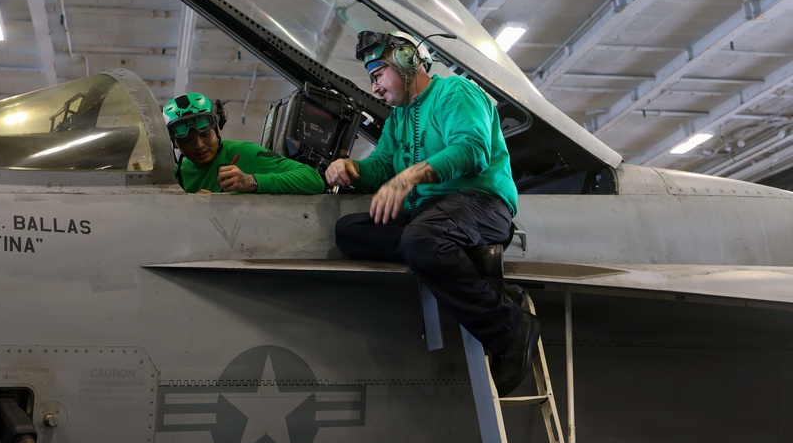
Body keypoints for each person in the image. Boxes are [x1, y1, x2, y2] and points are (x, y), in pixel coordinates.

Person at [324, 30, 539, 396]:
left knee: (422, 239)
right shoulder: (398, 120)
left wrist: (412, 175)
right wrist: (351, 169)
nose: (374, 87)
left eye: (377, 75)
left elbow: (472, 149)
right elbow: (381, 167)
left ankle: (510, 327)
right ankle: (466, 256)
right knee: (349, 231)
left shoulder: (456, 93)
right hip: (432, 214)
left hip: (480, 203)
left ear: (406, 60)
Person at [163, 92, 326, 195]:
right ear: (175, 143)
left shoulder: (241, 153)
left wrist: (252, 182)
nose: (199, 145)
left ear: (218, 128)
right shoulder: (171, 175)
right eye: (186, 140)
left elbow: (313, 179)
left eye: (205, 134)